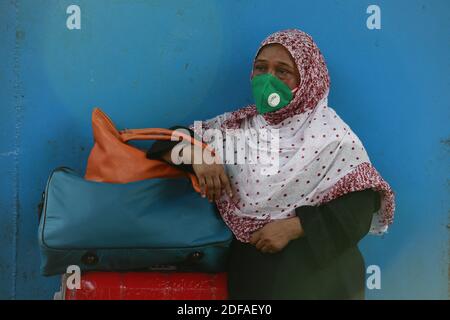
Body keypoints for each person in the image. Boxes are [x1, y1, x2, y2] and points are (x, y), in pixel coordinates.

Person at [147, 29, 395, 299]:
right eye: (261, 68)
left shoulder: (333, 138)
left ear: (307, 78)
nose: (268, 79)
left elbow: (358, 211)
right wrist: (198, 157)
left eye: (282, 71)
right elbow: (165, 141)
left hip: (324, 279)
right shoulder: (239, 130)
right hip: (257, 277)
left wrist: (293, 227)